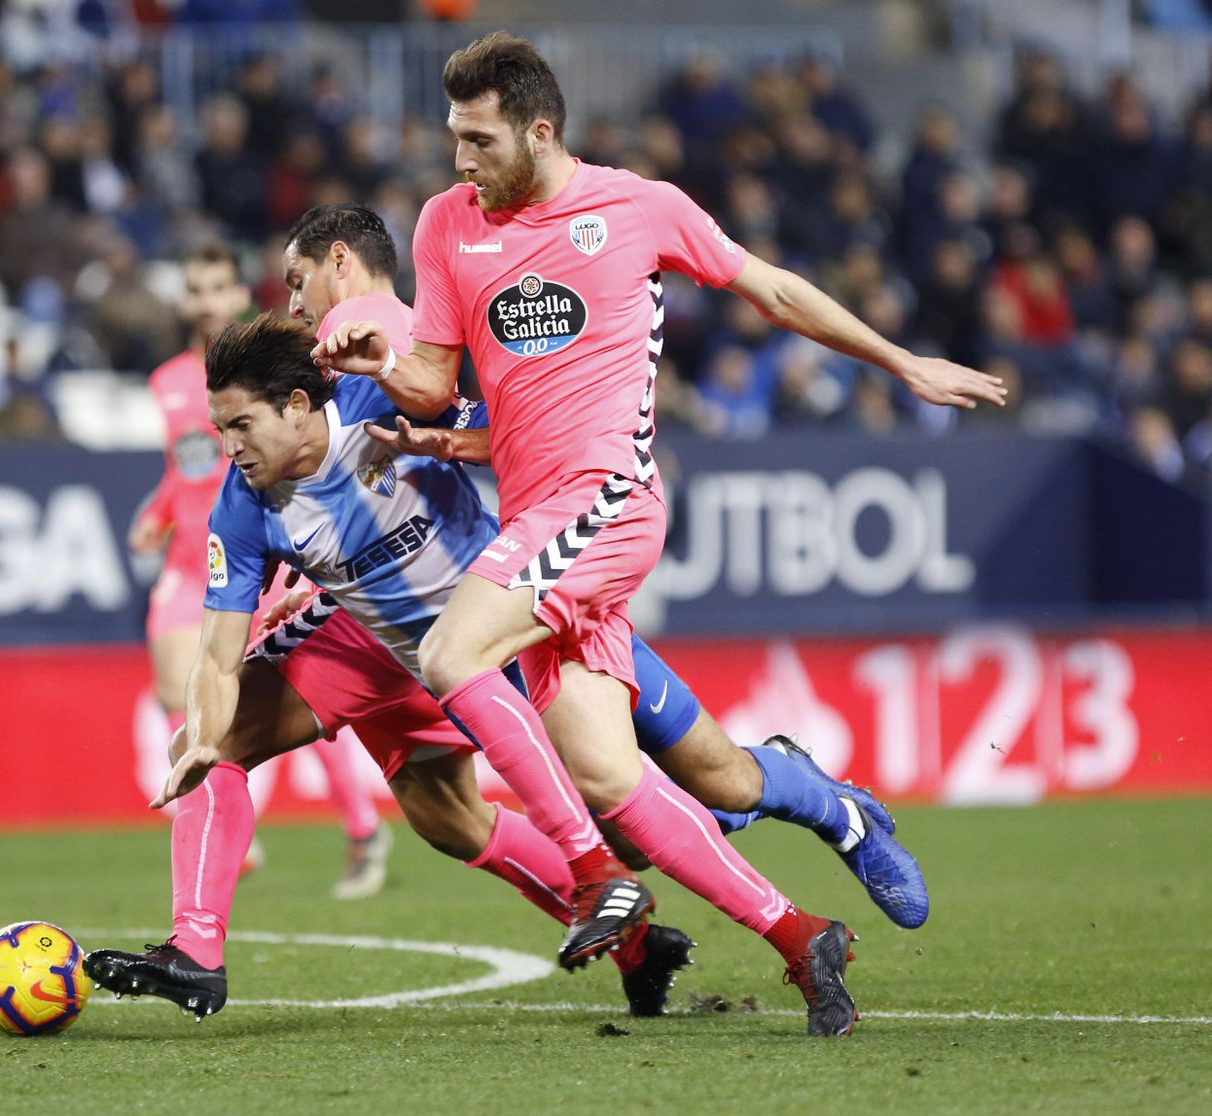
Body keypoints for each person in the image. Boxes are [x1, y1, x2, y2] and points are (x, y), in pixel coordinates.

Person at [312, 34, 1004, 1031]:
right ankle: (809, 912)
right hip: (534, 518)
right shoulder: (445, 224)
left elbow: (768, 288)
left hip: (604, 502)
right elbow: (432, 378)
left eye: (477, 138)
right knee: (613, 774)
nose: (459, 160)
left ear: (538, 130)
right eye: (451, 138)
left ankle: (594, 876)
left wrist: (902, 363)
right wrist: (380, 359)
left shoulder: (638, 207)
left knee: (451, 649)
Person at [85, 316, 861, 1035]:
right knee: (233, 747)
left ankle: (795, 930)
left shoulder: (379, 403)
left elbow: (512, 434)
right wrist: (201, 741)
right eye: (219, 429)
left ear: (296, 405)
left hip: (499, 636)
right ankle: (196, 951)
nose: (228, 447)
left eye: (240, 426)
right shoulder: (244, 505)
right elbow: (219, 656)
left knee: (637, 804)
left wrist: (454, 442)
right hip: (378, 647)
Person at [287, 202, 928, 930]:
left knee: (659, 802)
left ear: (340, 261)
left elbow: (429, 397)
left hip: (521, 595)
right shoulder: (343, 376)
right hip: (524, 587)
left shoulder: (384, 332)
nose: (292, 302)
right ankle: (814, 796)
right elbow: (466, 443)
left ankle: (829, 829)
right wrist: (439, 444)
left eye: (296, 280)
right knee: (670, 807)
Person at [131, 244, 392, 900]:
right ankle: (204, 810)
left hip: (263, 555)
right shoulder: (167, 382)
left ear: (237, 294)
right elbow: (185, 469)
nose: (208, 301)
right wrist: (158, 513)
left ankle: (362, 826)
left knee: (289, 691)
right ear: (185, 299)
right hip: (190, 561)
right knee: (175, 687)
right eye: (196, 289)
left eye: (219, 287)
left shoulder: (269, 375)